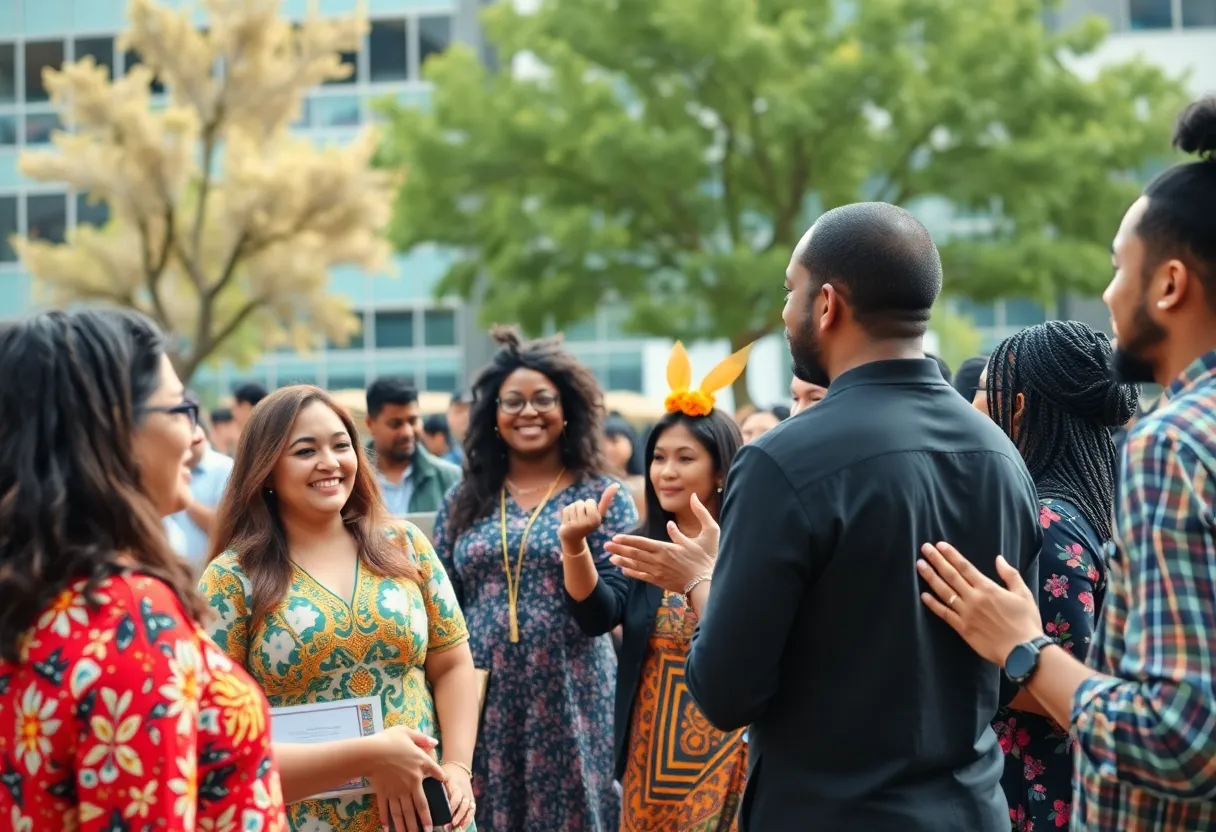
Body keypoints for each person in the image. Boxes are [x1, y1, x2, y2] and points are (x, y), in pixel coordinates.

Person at [0, 309, 443, 831]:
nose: (196, 438)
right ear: (112, 430)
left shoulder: (45, 600)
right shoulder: (128, 623)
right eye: (180, 410)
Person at [676, 202, 1042, 830]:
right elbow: (1009, 665)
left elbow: (728, 691)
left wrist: (700, 582)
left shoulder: (781, 461)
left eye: (789, 292)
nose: (785, 313)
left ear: (826, 304)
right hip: (971, 809)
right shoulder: (1000, 455)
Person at [916, 97, 1216, 829]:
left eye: (1120, 269)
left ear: (1170, 284)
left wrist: (1020, 648)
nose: (1109, 294)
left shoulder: (1172, 443)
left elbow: (1182, 741)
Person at [199, 385, 480, 831]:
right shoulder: (232, 578)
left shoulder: (404, 544)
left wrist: (460, 770)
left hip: (428, 815)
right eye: (306, 450)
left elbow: (452, 664)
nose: (329, 463)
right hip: (303, 818)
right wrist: (375, 755)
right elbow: (218, 734)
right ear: (267, 469)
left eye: (341, 445)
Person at [432, 327, 638, 831]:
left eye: (543, 400)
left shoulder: (604, 496)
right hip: (482, 700)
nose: (528, 412)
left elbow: (608, 613)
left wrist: (576, 545)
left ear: (567, 410)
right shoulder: (463, 501)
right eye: (513, 402)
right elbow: (437, 606)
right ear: (494, 417)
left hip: (572, 696)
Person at [569, 341, 749, 831]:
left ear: (718, 470)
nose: (666, 471)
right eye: (659, 457)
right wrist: (574, 548)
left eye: (684, 458)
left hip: (729, 744)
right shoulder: (645, 544)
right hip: (650, 751)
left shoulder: (746, 546)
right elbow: (596, 615)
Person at [970, 322, 1137, 830]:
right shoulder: (1087, 510)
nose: (969, 407)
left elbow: (1065, 683)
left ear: (1017, 407)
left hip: (1039, 797)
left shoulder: (1048, 525)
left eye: (980, 393)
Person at [364, 376, 462, 514]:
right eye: (395, 424)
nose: (407, 432)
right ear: (370, 424)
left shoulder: (450, 479)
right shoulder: (351, 479)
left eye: (413, 421)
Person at [167, 407, 235, 569]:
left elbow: (225, 526)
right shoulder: (169, 469)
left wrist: (183, 498)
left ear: (201, 434)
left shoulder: (226, 469)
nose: (186, 449)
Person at [446, 390, 473, 463]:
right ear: (448, 417)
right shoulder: (446, 462)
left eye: (471, 411)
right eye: (459, 411)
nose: (466, 417)